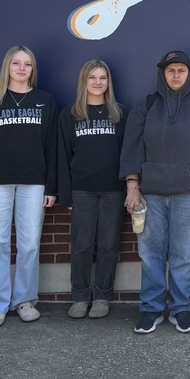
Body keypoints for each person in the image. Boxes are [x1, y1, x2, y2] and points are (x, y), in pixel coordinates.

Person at [120, 50, 190, 334]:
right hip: (150, 193)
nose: (176, 75)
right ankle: (151, 309)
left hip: (188, 194)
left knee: (184, 254)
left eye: (181, 70)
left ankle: (180, 309)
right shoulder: (146, 105)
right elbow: (131, 148)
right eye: (170, 70)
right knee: (150, 253)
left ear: (189, 74)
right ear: (162, 73)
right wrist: (132, 185)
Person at [0, 45, 57, 328]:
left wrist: (51, 187)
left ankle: (24, 300)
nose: (22, 68)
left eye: (27, 64)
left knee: (30, 243)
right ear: (7, 66)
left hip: (34, 183)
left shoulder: (46, 100)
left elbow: (52, 148)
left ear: (33, 69)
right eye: (16, 63)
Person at [57, 60, 128, 320]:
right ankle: (79, 296)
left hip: (113, 190)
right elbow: (62, 157)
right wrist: (65, 192)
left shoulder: (121, 114)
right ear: (84, 81)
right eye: (92, 78)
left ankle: (101, 297)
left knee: (109, 244)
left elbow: (128, 156)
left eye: (102, 78)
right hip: (82, 190)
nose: (97, 82)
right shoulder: (69, 115)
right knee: (81, 245)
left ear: (109, 82)